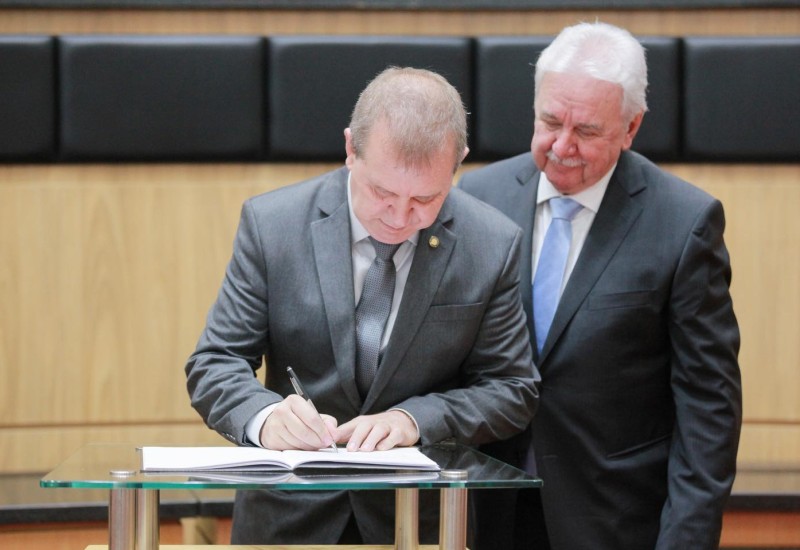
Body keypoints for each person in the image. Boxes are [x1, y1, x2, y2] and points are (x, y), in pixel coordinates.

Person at [185, 66, 539, 545]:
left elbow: (511, 388)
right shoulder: (273, 226)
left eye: (425, 199)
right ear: (351, 148)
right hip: (288, 517)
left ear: (458, 164)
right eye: (382, 192)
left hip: (421, 520)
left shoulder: (491, 243)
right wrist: (265, 418)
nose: (398, 218)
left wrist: (415, 419)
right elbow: (215, 363)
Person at [460, 21, 742, 550]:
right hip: (487, 515)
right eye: (550, 121)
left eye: (586, 131)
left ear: (631, 127)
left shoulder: (684, 223)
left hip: (613, 520)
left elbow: (708, 409)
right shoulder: (479, 196)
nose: (562, 146)